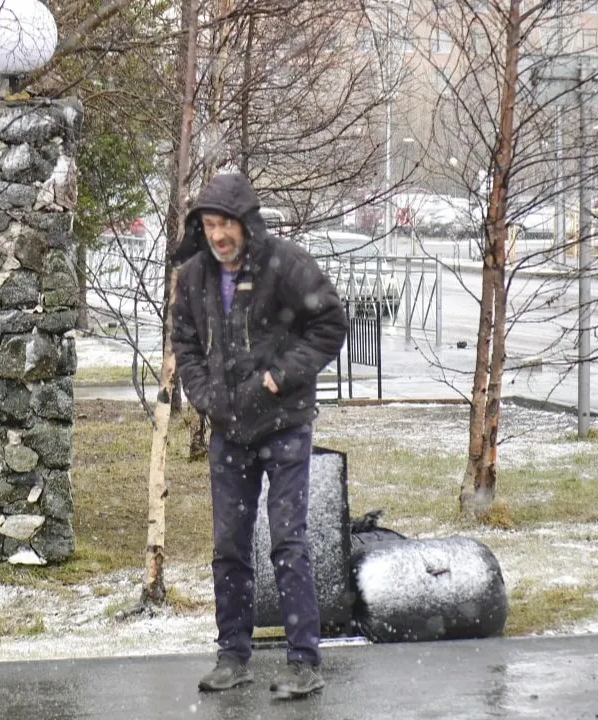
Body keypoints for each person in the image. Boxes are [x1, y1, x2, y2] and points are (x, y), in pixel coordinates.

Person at [171, 173, 347, 700]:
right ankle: (233, 655)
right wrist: (205, 396)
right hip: (228, 430)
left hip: (285, 423)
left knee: (288, 542)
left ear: (246, 223)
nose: (218, 235)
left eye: (226, 224)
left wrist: (277, 378)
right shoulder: (194, 275)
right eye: (209, 224)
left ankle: (303, 660)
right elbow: (185, 342)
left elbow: (331, 323)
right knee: (228, 546)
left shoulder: (286, 265)